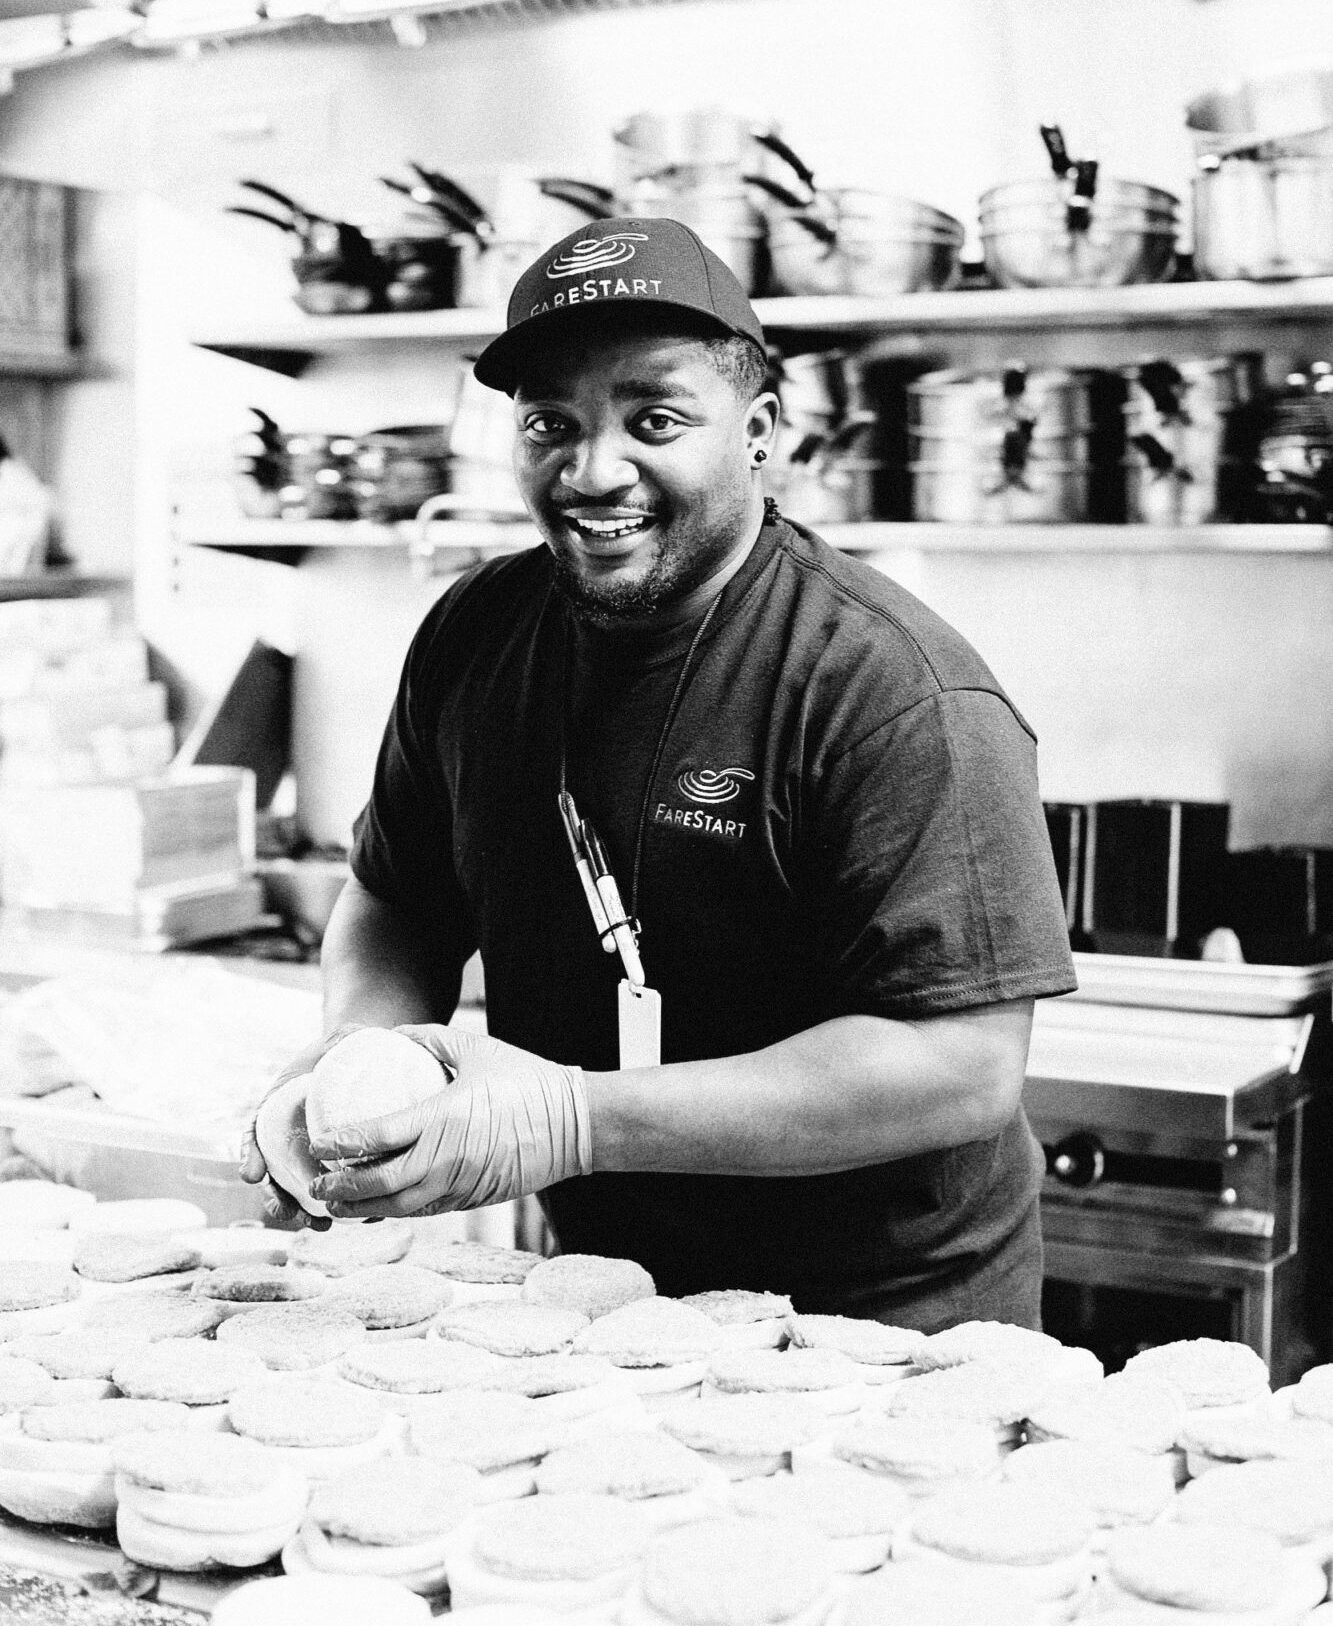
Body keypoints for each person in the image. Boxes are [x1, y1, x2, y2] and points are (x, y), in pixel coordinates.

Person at [243, 216, 1076, 1327]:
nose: (593, 470)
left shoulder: (889, 687)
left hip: (883, 1319)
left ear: (759, 429)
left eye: (655, 418)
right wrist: (364, 1050)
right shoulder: (474, 634)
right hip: (602, 1293)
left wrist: (572, 1120)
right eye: (550, 422)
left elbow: (961, 1063)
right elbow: (397, 896)